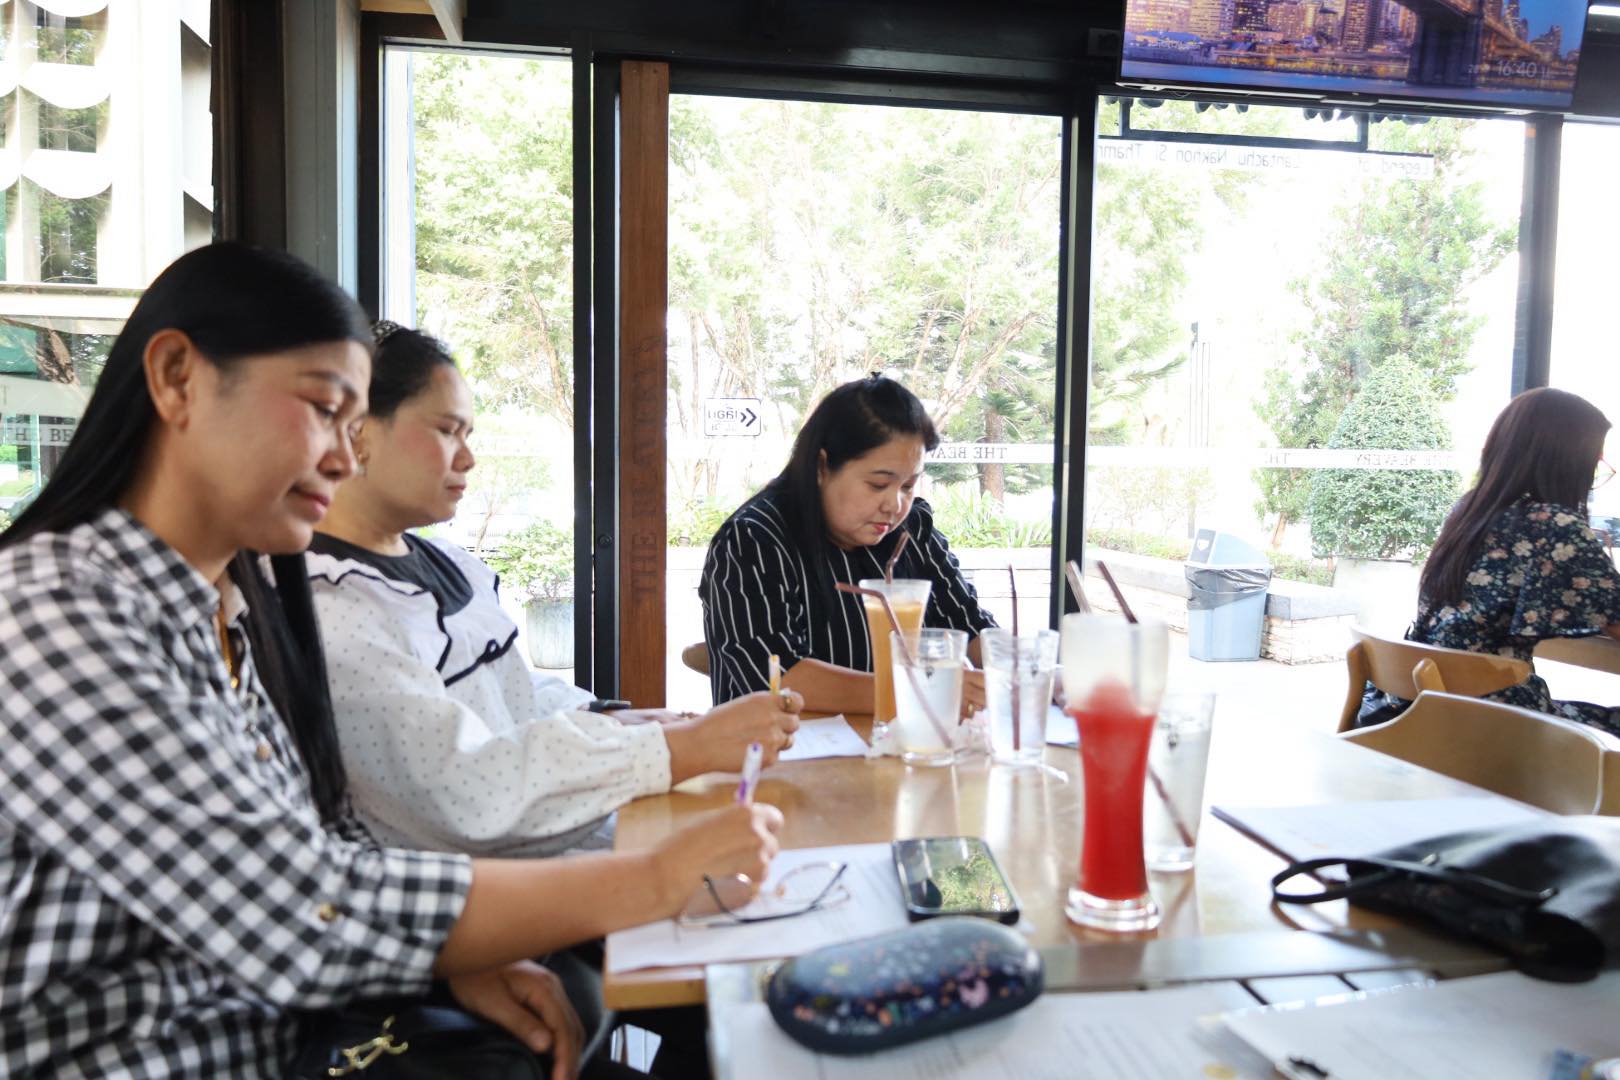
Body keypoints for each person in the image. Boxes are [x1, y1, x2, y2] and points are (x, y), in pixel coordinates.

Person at [0, 243, 782, 1078]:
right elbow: (294, 910)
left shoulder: (219, 607)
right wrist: (655, 879)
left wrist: (442, 963)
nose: (344, 458)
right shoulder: (52, 610)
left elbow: (316, 841)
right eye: (323, 409)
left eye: (353, 424)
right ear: (176, 377)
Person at [306, 322, 800, 859]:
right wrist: (675, 749)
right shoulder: (335, 608)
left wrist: (607, 716)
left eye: (467, 435)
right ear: (358, 430)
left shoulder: (446, 564)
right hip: (495, 889)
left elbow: (509, 694)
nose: (467, 459)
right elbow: (466, 790)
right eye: (447, 431)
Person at [701, 375, 996, 714]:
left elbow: (970, 628)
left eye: (908, 486)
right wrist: (923, 689)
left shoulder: (911, 533)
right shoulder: (754, 540)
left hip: (897, 740)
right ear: (822, 467)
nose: (895, 505)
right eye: (878, 484)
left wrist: (1018, 666)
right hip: (786, 743)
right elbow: (777, 677)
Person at [1406, 387, 1620, 733]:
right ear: (1566, 462)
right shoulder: (1555, 525)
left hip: (1423, 704)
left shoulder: (1468, 509)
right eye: (1594, 462)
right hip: (1490, 723)